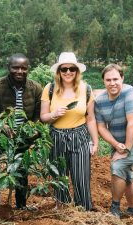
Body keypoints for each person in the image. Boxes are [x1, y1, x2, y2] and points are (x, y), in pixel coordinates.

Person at [40, 52, 98, 211]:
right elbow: (43, 117)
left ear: (77, 71)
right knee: (59, 175)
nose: (68, 72)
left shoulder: (86, 89)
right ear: (58, 71)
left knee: (81, 176)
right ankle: (63, 209)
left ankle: (83, 210)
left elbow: (91, 118)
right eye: (63, 69)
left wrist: (94, 142)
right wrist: (53, 114)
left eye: (72, 68)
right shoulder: (50, 88)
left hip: (79, 135)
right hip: (56, 136)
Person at [0, 53, 43, 209]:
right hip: (0, 137)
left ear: (28, 69)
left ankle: (21, 205)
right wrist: (1, 126)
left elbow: (38, 116)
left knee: (22, 171)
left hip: (23, 139)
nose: (20, 71)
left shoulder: (36, 88)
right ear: (8, 67)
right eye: (15, 67)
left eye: (23, 68)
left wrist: (33, 131)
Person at [94, 64, 133, 218]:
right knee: (127, 173)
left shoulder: (130, 93)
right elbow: (101, 127)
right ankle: (132, 209)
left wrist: (126, 150)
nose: (112, 83)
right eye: (108, 80)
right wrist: (116, 145)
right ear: (103, 81)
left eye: (116, 79)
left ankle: (115, 208)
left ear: (122, 78)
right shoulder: (100, 101)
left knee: (118, 165)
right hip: (119, 142)